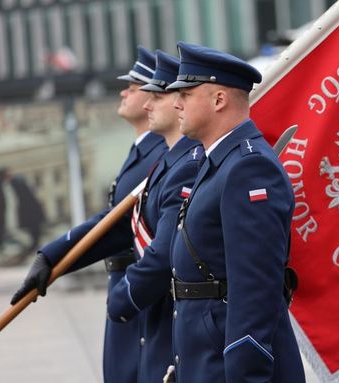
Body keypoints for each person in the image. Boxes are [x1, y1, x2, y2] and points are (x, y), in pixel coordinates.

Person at [10, 46, 168, 383]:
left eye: (135, 86)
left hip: (140, 291)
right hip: (124, 281)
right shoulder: (144, 149)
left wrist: (54, 255)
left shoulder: (161, 152)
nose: (124, 92)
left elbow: (117, 222)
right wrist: (51, 256)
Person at [166, 41, 305, 382]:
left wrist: (246, 373)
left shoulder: (249, 167)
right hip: (205, 356)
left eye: (186, 92)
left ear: (219, 99)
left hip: (230, 364)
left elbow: (254, 287)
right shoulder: (220, 161)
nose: (176, 102)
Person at [106, 49, 203, 381]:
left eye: (156, 95)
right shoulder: (168, 160)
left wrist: (125, 294)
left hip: (164, 301)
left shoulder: (185, 162)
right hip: (147, 295)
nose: (146, 103)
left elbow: (163, 251)